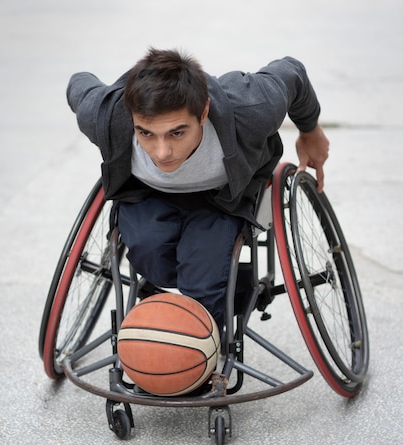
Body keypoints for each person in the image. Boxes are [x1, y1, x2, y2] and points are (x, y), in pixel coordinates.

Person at [67, 48, 329, 334]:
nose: (162, 152)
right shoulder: (104, 114)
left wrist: (310, 131)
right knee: (151, 258)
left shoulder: (251, 107)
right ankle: (170, 311)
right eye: (146, 133)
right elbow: (77, 84)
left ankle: (205, 340)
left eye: (177, 133)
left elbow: (292, 72)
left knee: (203, 285)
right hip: (147, 193)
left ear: (203, 112)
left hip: (221, 199)